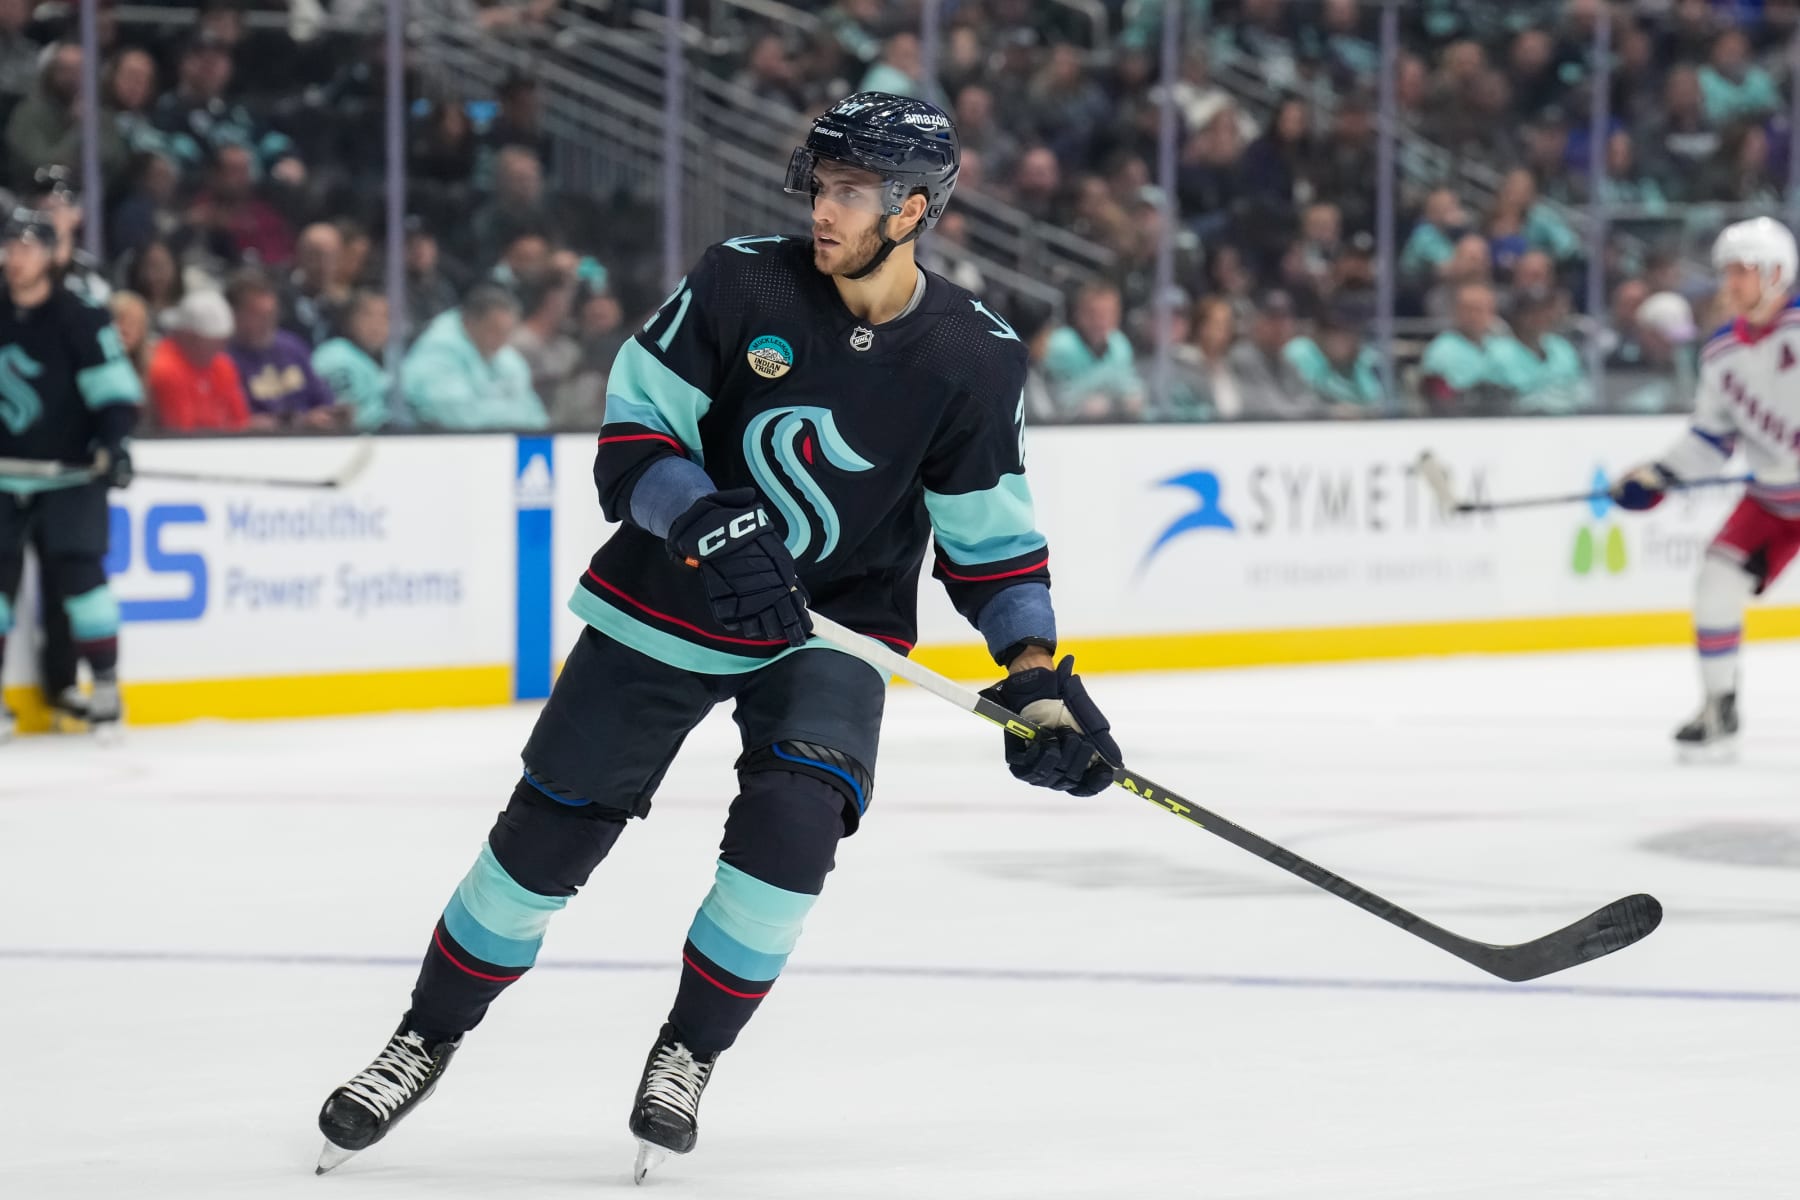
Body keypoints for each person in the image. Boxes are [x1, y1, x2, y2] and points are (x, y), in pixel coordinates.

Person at [315, 91, 1119, 1182]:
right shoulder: (741, 279)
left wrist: (1034, 676)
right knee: (543, 844)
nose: (821, 209)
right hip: (668, 600)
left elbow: (990, 539)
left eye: (849, 191)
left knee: (795, 833)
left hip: (832, 630)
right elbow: (636, 434)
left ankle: (686, 1053)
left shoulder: (973, 355)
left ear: (915, 208)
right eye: (820, 185)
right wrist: (701, 516)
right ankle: (425, 1036)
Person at [1610, 218, 1800, 757]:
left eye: (1743, 270)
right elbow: (1711, 441)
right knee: (1716, 579)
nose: (1730, 283)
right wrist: (1659, 475)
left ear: (1777, 273)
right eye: (1727, 272)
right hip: (1774, 499)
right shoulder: (1720, 354)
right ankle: (1720, 706)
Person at [0, 210, 142, 739]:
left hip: (69, 475)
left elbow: (114, 395)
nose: (16, 258)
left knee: (82, 582)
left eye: (28, 248)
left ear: (52, 256)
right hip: (4, 477)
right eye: (10, 247)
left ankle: (105, 690)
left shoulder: (80, 317)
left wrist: (113, 446)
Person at [400, 283, 546, 430]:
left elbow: (535, 414)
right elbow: (458, 417)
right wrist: (515, 412)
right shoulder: (436, 352)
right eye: (494, 330)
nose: (501, 340)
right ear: (470, 322)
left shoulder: (505, 356)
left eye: (506, 332)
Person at [225, 270, 342, 431]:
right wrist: (298, 422)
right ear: (234, 314)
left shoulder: (292, 347)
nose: (267, 322)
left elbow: (322, 399)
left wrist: (332, 414)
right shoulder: (224, 359)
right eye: (257, 315)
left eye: (271, 314)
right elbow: (237, 422)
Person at [146, 289, 256, 432]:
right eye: (213, 341)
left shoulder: (222, 364)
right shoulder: (165, 368)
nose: (220, 348)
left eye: (222, 342)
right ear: (186, 336)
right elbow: (182, 433)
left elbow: (241, 422)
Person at [312, 291, 391, 432]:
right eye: (367, 315)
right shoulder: (335, 357)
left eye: (385, 317)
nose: (376, 324)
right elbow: (342, 416)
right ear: (350, 320)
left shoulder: (390, 358)